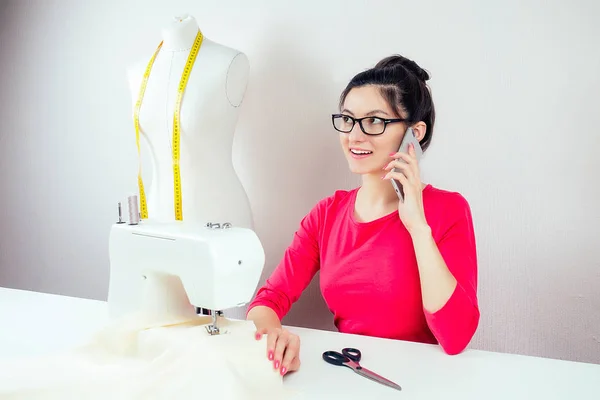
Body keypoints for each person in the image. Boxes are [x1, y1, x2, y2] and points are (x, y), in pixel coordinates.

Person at [246, 54, 480, 376]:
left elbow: (456, 337)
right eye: (348, 119)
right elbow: (268, 300)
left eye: (374, 121)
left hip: (428, 383)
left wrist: (417, 226)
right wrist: (272, 338)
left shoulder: (448, 210)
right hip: (350, 379)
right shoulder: (326, 215)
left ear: (415, 133)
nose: (354, 136)